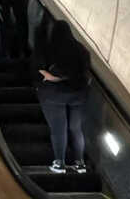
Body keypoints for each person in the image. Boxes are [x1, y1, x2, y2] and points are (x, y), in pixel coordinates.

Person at [36, 19, 91, 174]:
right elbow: (86, 73)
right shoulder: (82, 50)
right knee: (76, 128)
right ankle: (80, 164)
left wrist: (53, 78)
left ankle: (59, 163)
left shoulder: (49, 49)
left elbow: (39, 68)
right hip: (78, 94)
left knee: (58, 128)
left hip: (54, 95)